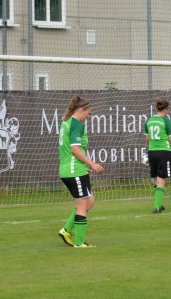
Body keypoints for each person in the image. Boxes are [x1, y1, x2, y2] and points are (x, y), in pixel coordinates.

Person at [58, 96, 104, 248]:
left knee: (89, 201)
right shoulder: (76, 124)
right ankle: (79, 243)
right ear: (81, 110)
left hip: (73, 169)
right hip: (73, 171)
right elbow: (75, 149)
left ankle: (66, 230)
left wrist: (85, 167)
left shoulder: (67, 122)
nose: (89, 117)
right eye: (89, 114)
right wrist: (92, 163)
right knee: (83, 204)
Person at [144, 98, 171, 213]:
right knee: (161, 179)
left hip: (152, 152)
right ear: (165, 110)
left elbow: (147, 138)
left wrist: (154, 145)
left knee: (156, 178)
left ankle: (159, 204)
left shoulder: (149, 120)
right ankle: (157, 207)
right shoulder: (166, 120)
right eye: (168, 110)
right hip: (163, 151)